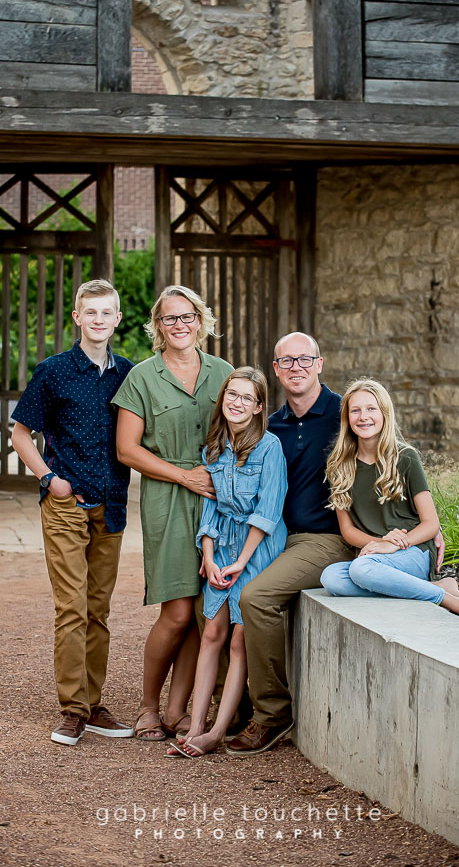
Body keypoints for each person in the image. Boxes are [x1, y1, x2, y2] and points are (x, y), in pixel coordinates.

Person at [11, 279, 134, 746]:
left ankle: (94, 703)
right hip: (65, 503)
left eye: (107, 312)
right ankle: (73, 709)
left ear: (117, 319)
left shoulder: (129, 374)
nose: (98, 320)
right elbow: (21, 434)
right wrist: (49, 479)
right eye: (91, 312)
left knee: (98, 609)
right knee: (71, 608)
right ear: (78, 318)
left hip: (112, 505)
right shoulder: (53, 371)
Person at [225, 332, 356, 756]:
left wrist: (427, 522)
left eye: (304, 359)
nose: (296, 367)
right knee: (216, 595)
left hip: (325, 539)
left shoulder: (344, 413)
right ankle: (233, 706)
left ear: (319, 364)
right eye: (287, 361)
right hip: (274, 537)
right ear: (276, 370)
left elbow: (391, 454)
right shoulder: (271, 427)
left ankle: (272, 713)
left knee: (257, 597)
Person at [113, 285, 232, 741]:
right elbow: (127, 450)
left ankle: (177, 710)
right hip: (168, 497)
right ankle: (147, 706)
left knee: (204, 611)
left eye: (187, 317)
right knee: (178, 612)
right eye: (170, 318)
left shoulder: (223, 373)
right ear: (157, 326)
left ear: (200, 321)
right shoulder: (141, 377)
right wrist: (185, 477)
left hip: (219, 500)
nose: (179, 325)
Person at [319, 378, 459, 626]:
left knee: (360, 570)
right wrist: (381, 543)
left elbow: (431, 524)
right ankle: (437, 588)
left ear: (385, 413)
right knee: (331, 578)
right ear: (347, 417)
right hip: (375, 558)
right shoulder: (340, 466)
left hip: (414, 551)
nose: (363, 417)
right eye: (355, 410)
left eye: (371, 408)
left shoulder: (405, 457)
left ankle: (454, 602)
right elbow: (348, 530)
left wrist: (396, 544)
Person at [167, 368, 287, 758]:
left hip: (258, 550)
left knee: (238, 640)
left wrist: (241, 562)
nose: (237, 402)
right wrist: (208, 554)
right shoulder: (214, 449)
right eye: (231, 394)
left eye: (246, 398)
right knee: (212, 633)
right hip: (222, 549)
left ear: (258, 407)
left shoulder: (269, 447)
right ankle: (195, 727)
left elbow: (267, 513)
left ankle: (217, 732)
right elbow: (211, 510)